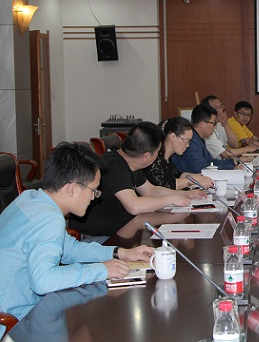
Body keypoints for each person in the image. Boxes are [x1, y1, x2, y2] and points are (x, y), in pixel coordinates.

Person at [0, 143, 153, 329]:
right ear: (72, 188)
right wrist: (101, 270)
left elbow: (69, 249)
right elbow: (43, 281)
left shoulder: (32, 198)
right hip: (14, 321)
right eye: (93, 190)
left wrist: (120, 252)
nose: (94, 197)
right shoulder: (48, 219)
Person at [69, 122, 201, 237]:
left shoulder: (131, 162)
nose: (158, 156)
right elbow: (134, 206)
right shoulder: (113, 165)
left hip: (124, 229)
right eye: (157, 152)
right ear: (146, 156)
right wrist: (171, 199)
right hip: (99, 238)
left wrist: (186, 194)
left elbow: (150, 191)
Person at [143, 117, 214, 190]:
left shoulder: (170, 159)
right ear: (173, 137)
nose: (187, 145)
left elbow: (179, 176)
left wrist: (200, 176)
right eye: (186, 140)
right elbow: (164, 185)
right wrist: (195, 180)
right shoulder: (155, 159)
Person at [200, 96, 259, 166]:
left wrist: (226, 124)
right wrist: (249, 148)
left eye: (220, 107)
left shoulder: (220, 124)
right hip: (214, 167)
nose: (219, 111)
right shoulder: (206, 129)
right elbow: (226, 153)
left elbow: (234, 145)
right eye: (215, 108)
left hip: (223, 164)